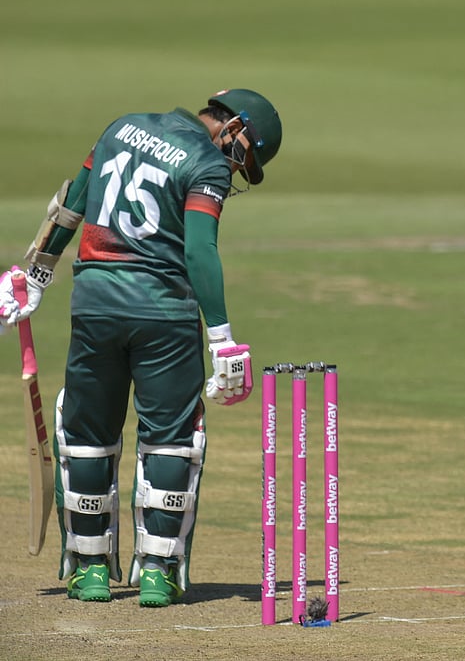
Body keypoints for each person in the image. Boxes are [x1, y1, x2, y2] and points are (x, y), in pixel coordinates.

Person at [0, 88, 283, 607]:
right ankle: (157, 571)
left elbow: (71, 203)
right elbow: (200, 249)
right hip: (164, 316)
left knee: (86, 434)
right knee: (173, 438)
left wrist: (36, 274)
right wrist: (221, 338)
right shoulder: (205, 162)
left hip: (95, 307)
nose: (235, 169)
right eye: (242, 158)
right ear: (234, 128)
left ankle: (90, 570)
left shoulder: (120, 127)